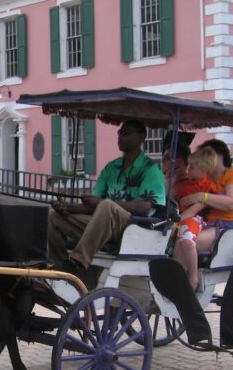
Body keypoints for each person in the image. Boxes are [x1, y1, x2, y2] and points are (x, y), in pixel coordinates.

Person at [48, 119, 167, 288]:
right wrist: (67, 207)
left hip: (134, 227)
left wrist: (104, 202)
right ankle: (61, 265)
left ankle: (79, 262)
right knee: (54, 216)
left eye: (126, 133)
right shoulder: (111, 168)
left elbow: (145, 207)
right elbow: (93, 206)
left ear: (141, 137)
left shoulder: (150, 170)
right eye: (119, 133)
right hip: (104, 226)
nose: (120, 137)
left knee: (106, 205)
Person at [172, 139, 233, 293]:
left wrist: (203, 196)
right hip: (208, 223)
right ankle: (177, 284)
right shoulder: (206, 180)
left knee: (185, 242)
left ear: (218, 156)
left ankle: (188, 284)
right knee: (176, 241)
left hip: (227, 225)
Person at [165, 146, 219, 290]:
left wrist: (175, 220)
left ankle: (193, 277)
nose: (188, 169)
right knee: (175, 247)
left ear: (203, 170)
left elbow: (195, 209)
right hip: (180, 218)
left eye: (192, 167)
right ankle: (178, 280)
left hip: (194, 219)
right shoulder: (185, 183)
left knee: (187, 241)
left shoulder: (206, 187)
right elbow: (174, 198)